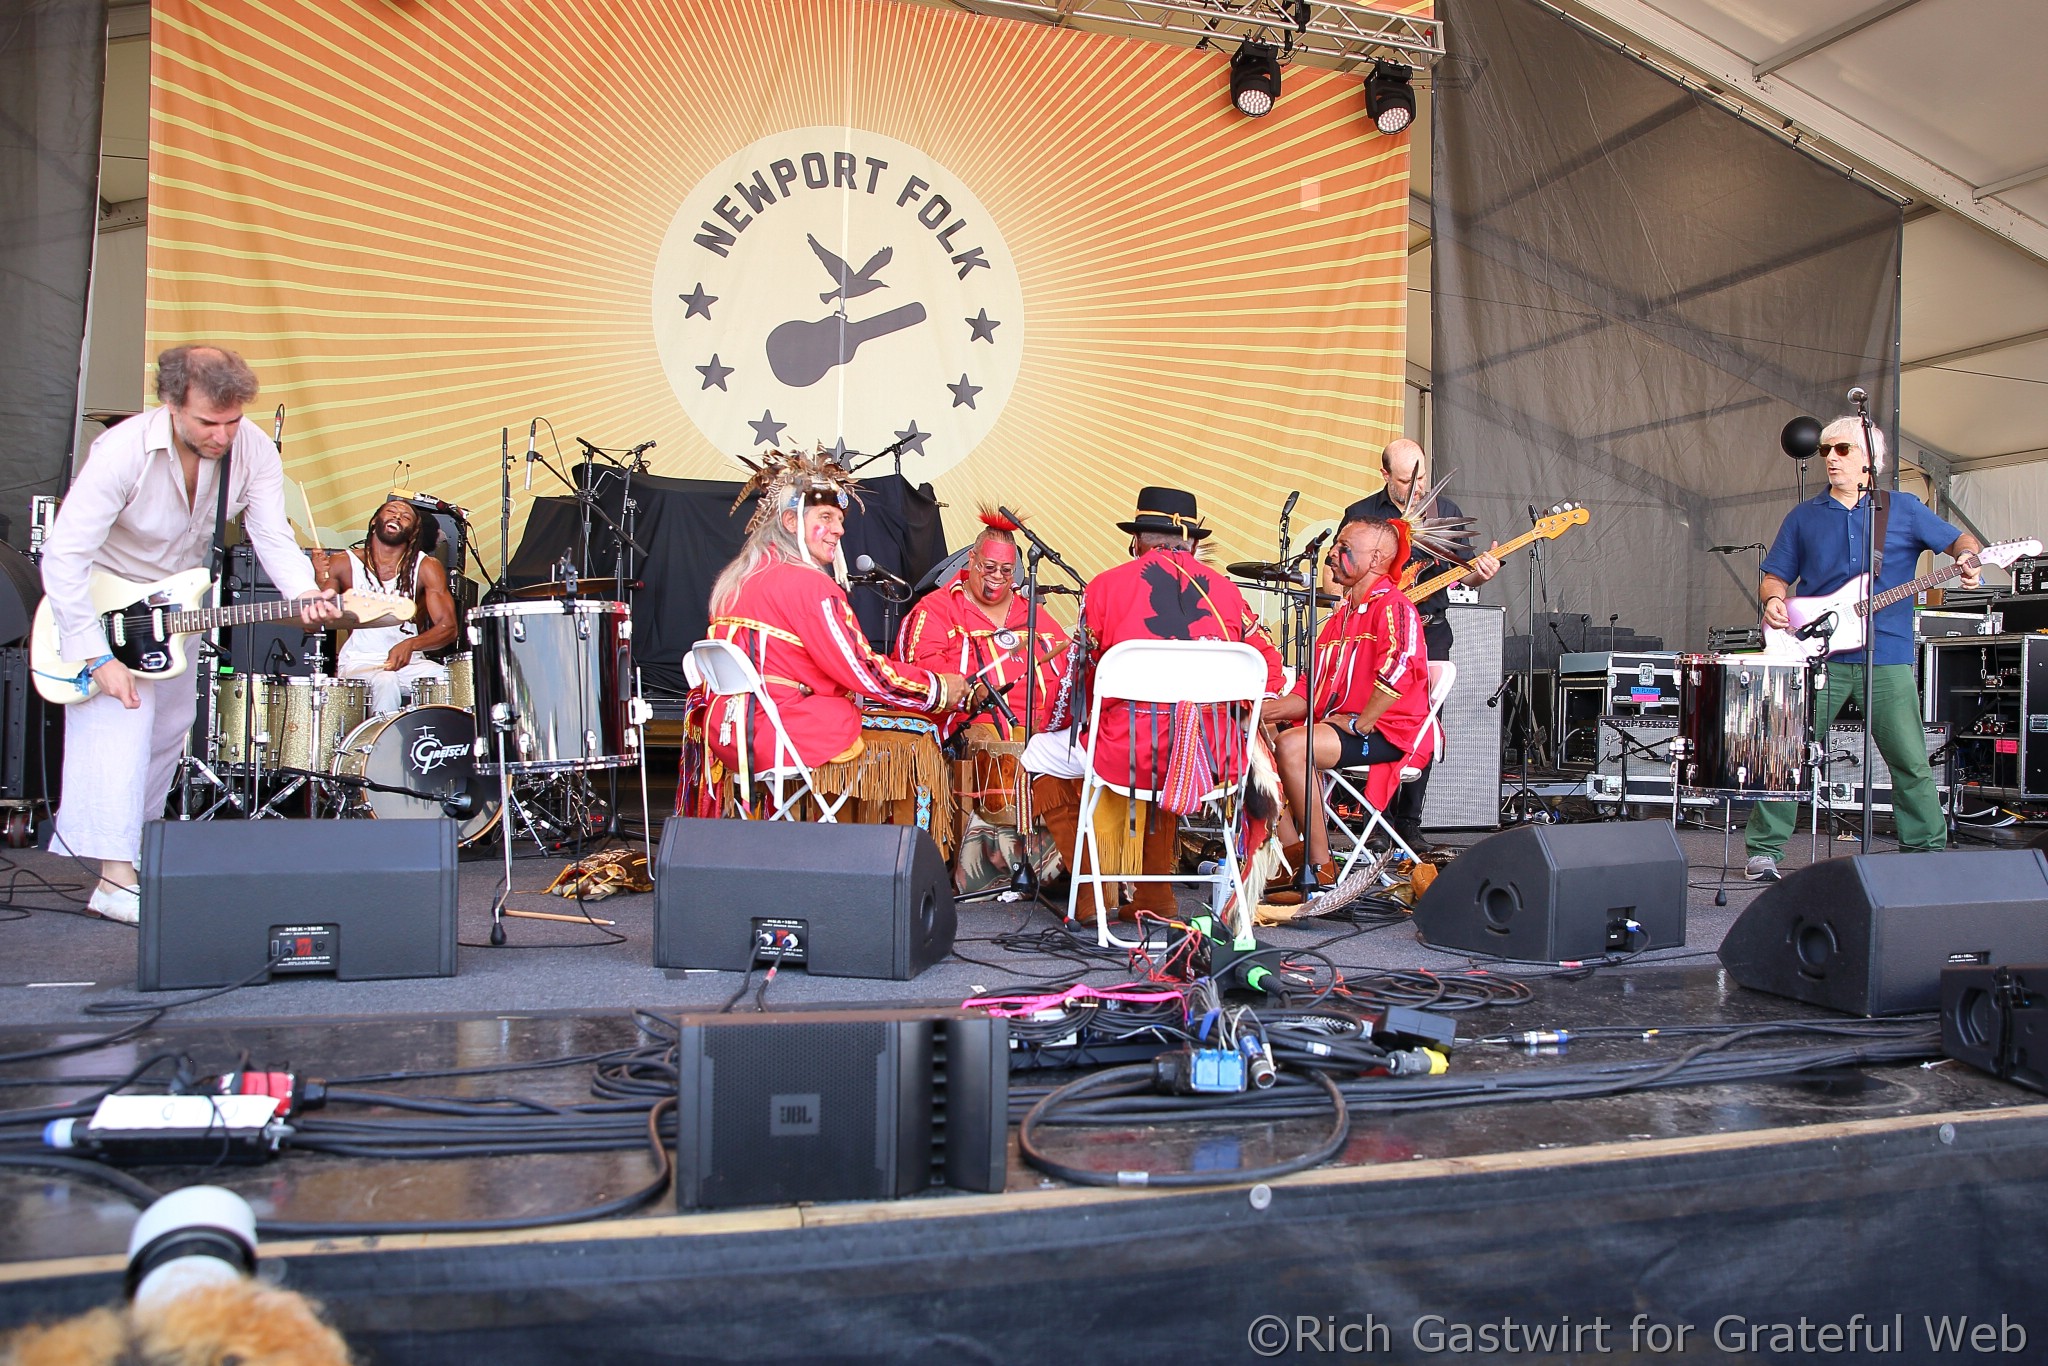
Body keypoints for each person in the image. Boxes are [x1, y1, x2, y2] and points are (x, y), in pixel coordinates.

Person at [40, 345, 341, 923]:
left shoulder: (251, 447)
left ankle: (133, 852)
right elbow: (64, 554)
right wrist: (91, 650)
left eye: (231, 422)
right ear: (171, 404)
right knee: (119, 720)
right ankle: (113, 878)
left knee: (167, 730)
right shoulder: (122, 450)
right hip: (103, 599)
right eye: (208, 422)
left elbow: (271, 532)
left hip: (176, 606)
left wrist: (303, 591)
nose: (223, 436)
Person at [1026, 486, 1285, 922]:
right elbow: (1270, 671)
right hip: (1212, 758)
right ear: (1194, 543)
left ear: (1138, 541)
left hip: (1127, 751)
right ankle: (1156, 895)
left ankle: (1094, 896)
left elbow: (1075, 681)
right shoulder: (1227, 594)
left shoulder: (1106, 588)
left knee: (1039, 757)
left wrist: (1046, 724)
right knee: (1168, 752)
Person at [1745, 417, 1980, 880]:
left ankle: (1926, 854)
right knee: (1785, 751)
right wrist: (1773, 599)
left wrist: (1969, 558)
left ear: (1871, 459)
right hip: (1817, 657)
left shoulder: (1904, 509)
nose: (1830, 458)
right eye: (1826, 450)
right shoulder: (1804, 515)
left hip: (1886, 653)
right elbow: (1774, 575)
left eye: (1842, 450)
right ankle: (1764, 851)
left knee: (1909, 758)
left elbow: (1958, 541)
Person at [703, 449, 968, 780]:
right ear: (790, 522)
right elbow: (863, 671)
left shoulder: (738, 581)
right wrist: (938, 688)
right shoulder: (808, 586)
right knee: (915, 735)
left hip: (729, 732)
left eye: (840, 519)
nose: (839, 530)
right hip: (783, 733)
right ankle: (876, 830)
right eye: (825, 517)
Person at [1341, 438, 1499, 852]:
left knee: (1420, 726)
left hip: (1429, 630)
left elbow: (1464, 576)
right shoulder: (1361, 516)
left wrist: (1482, 572)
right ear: (1385, 476)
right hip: (1377, 631)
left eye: (1424, 477)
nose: (1418, 488)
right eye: (1408, 480)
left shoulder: (1445, 514)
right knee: (1370, 716)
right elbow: (1343, 578)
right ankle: (1374, 820)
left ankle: (1409, 822)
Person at [1265, 515, 1432, 885]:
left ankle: (1320, 866)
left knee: (1293, 745)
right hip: (1344, 727)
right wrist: (1258, 711)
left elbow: (1401, 666)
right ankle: (1291, 857)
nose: (1332, 553)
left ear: (1374, 559)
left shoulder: (1394, 606)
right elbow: (1313, 693)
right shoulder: (1341, 616)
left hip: (1387, 732)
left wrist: (1362, 722)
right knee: (1250, 731)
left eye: (1344, 548)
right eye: (1335, 545)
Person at [895, 508, 1069, 740]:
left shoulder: (1035, 615)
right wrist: (970, 694)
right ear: (972, 559)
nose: (997, 575)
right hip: (966, 741)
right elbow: (922, 671)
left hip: (1043, 739)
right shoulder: (936, 610)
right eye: (989, 567)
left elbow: (1069, 670)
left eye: (1006, 570)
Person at [318, 497, 460, 712]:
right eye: (392, 511)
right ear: (375, 521)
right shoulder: (344, 563)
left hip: (410, 663)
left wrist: (411, 645)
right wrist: (320, 578)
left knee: (452, 681)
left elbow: (448, 628)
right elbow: (317, 619)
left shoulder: (426, 567)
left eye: (406, 517)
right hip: (361, 662)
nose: (397, 516)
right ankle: (384, 744)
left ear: (412, 532)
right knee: (386, 681)